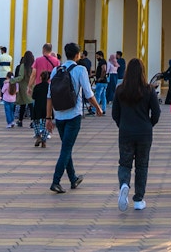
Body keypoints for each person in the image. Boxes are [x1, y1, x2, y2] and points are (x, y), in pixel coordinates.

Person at [46, 42, 104, 194]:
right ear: (77, 55)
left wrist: (48, 118)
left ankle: (73, 178)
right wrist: (98, 108)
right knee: (66, 148)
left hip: (59, 115)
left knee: (67, 147)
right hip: (74, 115)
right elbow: (88, 93)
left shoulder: (55, 70)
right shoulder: (80, 69)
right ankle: (56, 181)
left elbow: (49, 96)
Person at [113, 58, 161, 211]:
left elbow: (115, 114)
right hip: (144, 133)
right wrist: (149, 124)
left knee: (125, 163)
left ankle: (124, 185)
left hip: (126, 131)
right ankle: (139, 199)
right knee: (142, 165)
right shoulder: (149, 90)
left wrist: (122, 125)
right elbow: (157, 112)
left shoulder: (120, 90)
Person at [10, 51, 34, 127]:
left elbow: (21, 77)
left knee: (23, 104)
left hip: (24, 86)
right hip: (32, 86)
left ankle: (20, 120)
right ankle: (33, 121)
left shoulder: (23, 66)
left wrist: (11, 80)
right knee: (31, 104)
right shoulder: (34, 65)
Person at [31, 71, 50, 148]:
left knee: (36, 122)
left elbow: (33, 97)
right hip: (47, 106)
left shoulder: (37, 86)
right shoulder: (49, 87)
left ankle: (38, 136)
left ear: (40, 77)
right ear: (48, 78)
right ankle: (44, 140)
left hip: (38, 106)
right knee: (47, 123)